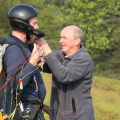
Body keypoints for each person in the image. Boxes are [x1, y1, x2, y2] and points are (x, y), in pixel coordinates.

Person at [35, 25, 95, 120]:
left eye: (64, 38)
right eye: (60, 37)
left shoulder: (84, 59)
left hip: (77, 116)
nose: (60, 41)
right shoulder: (60, 55)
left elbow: (64, 75)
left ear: (77, 41)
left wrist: (46, 48)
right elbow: (45, 65)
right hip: (57, 115)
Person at [4, 4, 46, 120]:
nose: (37, 27)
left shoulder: (24, 46)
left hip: (33, 109)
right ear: (23, 25)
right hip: (24, 112)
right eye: (34, 23)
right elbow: (15, 84)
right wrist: (33, 60)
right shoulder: (14, 50)